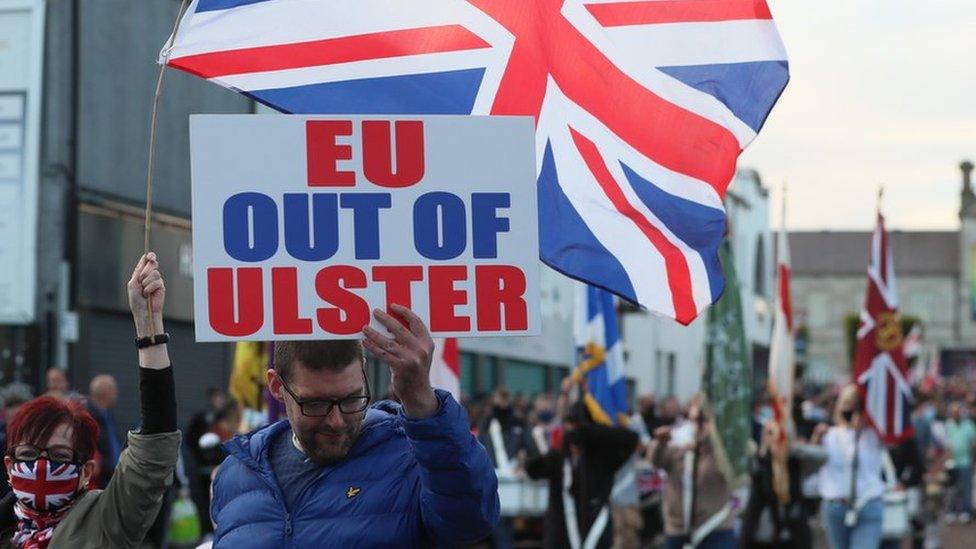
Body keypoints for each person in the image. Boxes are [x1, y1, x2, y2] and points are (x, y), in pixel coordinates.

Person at [209, 303, 499, 547]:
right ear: (276, 387)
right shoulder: (238, 472)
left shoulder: (409, 455)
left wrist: (423, 403)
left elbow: (470, 520)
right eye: (315, 404)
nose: (336, 421)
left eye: (351, 399)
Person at [0, 252, 180, 547]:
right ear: (9, 467)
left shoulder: (106, 522)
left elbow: (154, 448)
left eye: (59, 457)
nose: (42, 467)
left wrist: (149, 325)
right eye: (30, 456)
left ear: (86, 472)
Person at [524, 397, 638, 549]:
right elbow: (532, 469)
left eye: (576, 426)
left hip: (595, 530)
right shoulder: (558, 458)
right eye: (569, 426)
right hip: (561, 534)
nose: (572, 431)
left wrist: (590, 433)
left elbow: (631, 439)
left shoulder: (604, 458)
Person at [650, 401, 736, 549]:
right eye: (693, 420)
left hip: (715, 527)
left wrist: (715, 435)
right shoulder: (679, 450)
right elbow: (656, 461)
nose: (698, 425)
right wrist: (660, 443)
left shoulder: (721, 453)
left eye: (703, 420)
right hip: (678, 529)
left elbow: (740, 459)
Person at [739, 419, 827, 549]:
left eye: (779, 434)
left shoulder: (794, 462)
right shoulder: (759, 464)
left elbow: (822, 457)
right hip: (765, 536)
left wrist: (792, 447)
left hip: (794, 533)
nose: (775, 438)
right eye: (769, 433)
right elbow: (753, 508)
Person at [817, 384, 885, 549]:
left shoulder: (874, 435)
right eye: (847, 406)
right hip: (836, 506)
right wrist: (816, 439)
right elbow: (812, 464)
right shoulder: (829, 436)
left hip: (868, 503)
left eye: (857, 407)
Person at [85, 374, 122, 488]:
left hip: (111, 478)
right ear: (106, 392)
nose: (117, 394)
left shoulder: (107, 415)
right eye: (114, 390)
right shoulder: (88, 417)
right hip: (98, 482)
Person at [945, 401, 976, 522]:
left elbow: (973, 444)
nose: (955, 414)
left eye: (957, 412)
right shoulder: (948, 425)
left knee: (965, 487)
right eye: (953, 412)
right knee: (951, 488)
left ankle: (965, 510)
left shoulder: (968, 425)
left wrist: (973, 460)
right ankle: (951, 511)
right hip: (951, 462)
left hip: (965, 461)